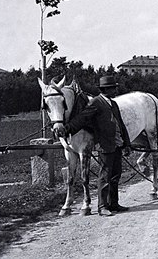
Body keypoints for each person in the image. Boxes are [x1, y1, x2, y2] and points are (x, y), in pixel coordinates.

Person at [54, 75, 131, 216]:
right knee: (105, 177)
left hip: (117, 144)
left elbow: (121, 125)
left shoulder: (113, 104)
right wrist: (67, 129)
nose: (114, 91)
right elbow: (82, 119)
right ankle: (102, 207)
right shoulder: (96, 102)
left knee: (115, 176)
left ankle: (114, 204)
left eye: (114, 88)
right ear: (105, 89)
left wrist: (127, 143)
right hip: (105, 145)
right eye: (112, 88)